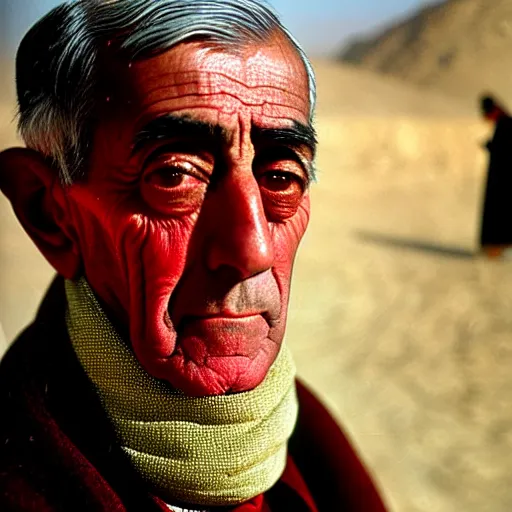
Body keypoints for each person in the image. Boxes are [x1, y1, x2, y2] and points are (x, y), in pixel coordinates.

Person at [0, 1, 388, 510]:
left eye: (280, 178)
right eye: (175, 176)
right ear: (50, 215)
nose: (253, 250)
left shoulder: (313, 440)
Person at [479, 94, 512, 258]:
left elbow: (506, 151)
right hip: (502, 178)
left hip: (503, 179)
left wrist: (491, 147)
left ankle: (495, 246)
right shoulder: (504, 122)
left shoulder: (505, 124)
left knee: (498, 212)